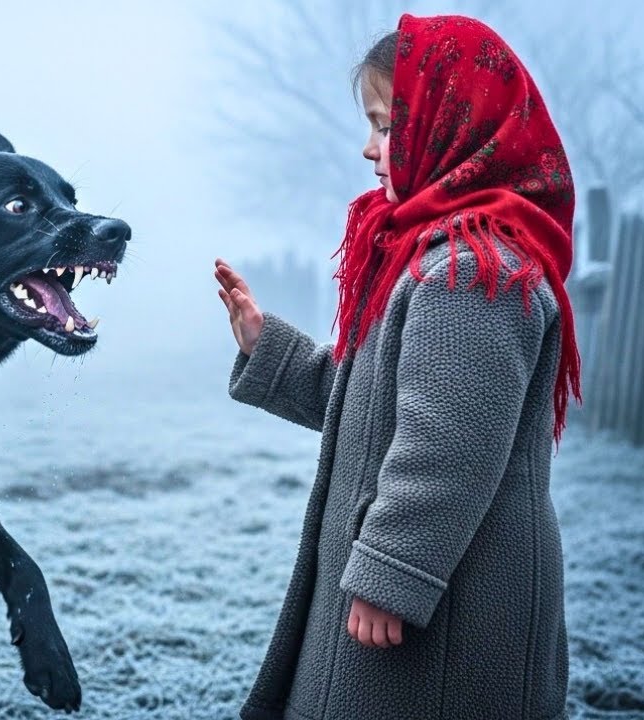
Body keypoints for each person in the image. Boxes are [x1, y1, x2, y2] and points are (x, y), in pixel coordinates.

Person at [214, 13, 582, 720]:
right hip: (435, 585)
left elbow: (449, 445)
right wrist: (268, 348)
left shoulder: (470, 271)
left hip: (449, 606)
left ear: (453, 124)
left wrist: (393, 571)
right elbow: (381, 407)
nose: (368, 148)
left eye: (385, 125)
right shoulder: (432, 258)